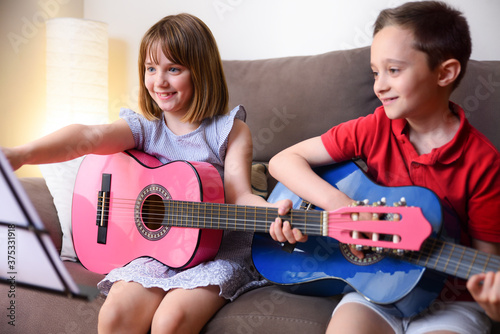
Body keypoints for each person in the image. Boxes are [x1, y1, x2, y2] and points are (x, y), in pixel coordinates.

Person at [2, 13, 289, 334]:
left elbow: (240, 196)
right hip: (157, 254)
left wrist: (274, 216)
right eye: (150, 69)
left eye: (173, 69)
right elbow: (87, 137)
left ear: (202, 72)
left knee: (170, 321)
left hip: (216, 254)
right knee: (114, 316)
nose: (159, 81)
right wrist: (20, 154)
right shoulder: (145, 129)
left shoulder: (229, 131)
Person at [268, 1, 500, 333]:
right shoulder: (374, 128)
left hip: (450, 302)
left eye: (393, 70)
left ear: (445, 72)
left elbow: (487, 264)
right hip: (373, 288)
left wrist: (494, 303)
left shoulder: (484, 162)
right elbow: (281, 161)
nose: (379, 86)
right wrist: (345, 210)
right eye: (375, 72)